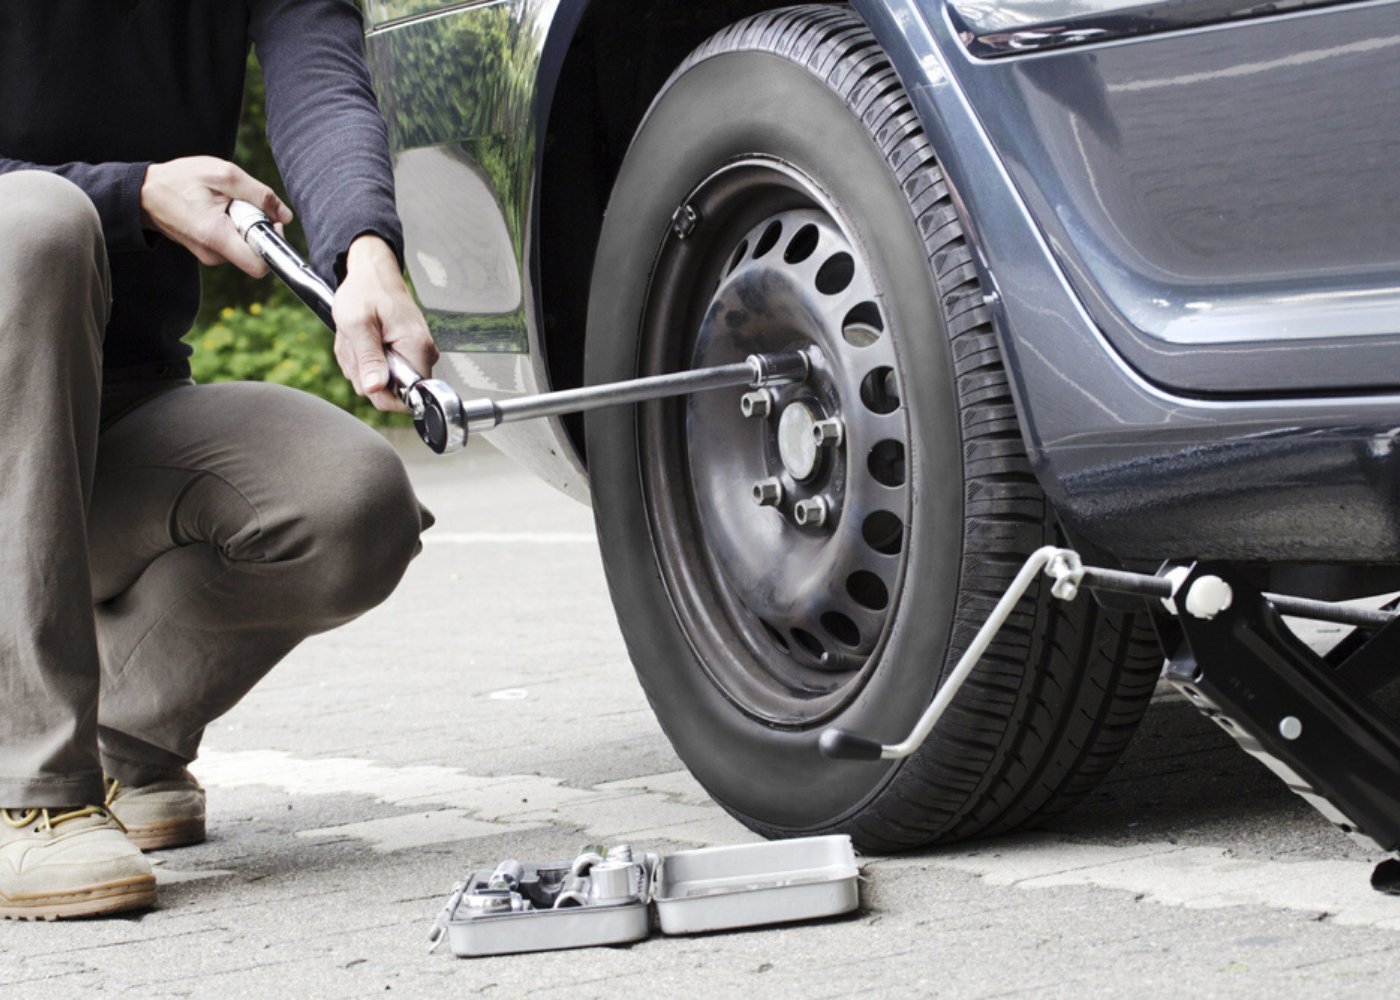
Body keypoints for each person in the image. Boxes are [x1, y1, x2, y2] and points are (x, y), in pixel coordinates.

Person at [0, 1, 437, 919]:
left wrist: (365, 255)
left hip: (121, 399)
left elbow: (321, 83)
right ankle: (29, 790)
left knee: (347, 507)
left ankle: (125, 734)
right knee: (35, 220)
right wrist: (133, 191)